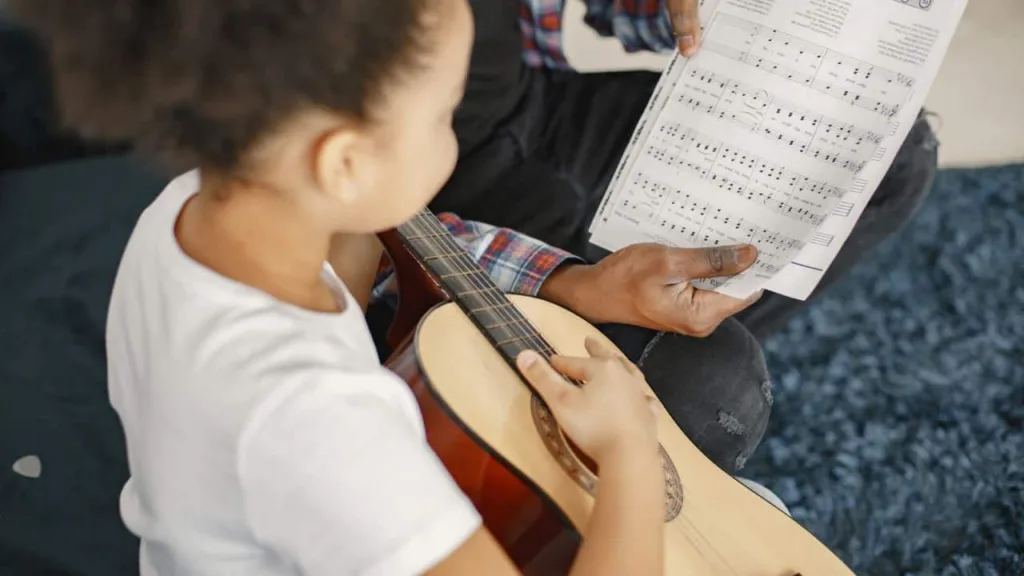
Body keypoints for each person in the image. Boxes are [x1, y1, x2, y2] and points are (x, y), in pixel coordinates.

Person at [7, 0, 786, 572]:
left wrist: (572, 286)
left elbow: (376, 247)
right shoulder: (323, 428)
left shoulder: (188, 206)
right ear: (343, 162)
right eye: (445, 116)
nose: (454, 137)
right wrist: (628, 458)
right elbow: (329, 436)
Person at [432, 0, 940, 342]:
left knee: (889, 155)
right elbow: (366, 249)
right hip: (438, 195)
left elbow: (615, 10)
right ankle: (665, 369)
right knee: (716, 391)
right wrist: (568, 285)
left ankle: (672, 352)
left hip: (538, 98)